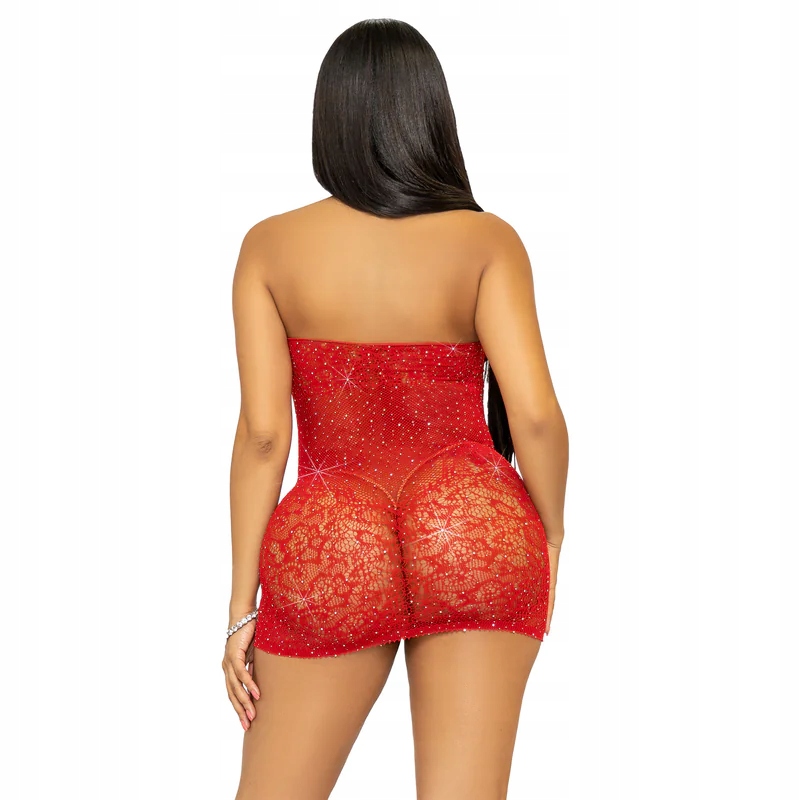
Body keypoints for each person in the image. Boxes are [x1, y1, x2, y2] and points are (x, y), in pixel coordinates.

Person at [223, 18, 569, 800]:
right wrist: (549, 532)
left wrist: (242, 609)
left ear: (330, 119)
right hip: (472, 521)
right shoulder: (487, 241)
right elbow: (536, 416)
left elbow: (264, 436)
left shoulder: (269, 247)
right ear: (431, 115)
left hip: (331, 529)